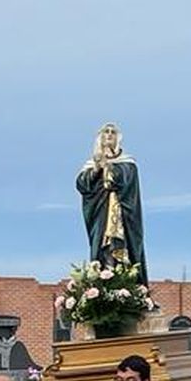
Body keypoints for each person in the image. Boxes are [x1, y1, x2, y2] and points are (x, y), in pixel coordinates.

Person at [75, 122, 148, 285]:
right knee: (102, 248)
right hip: (101, 216)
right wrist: (96, 169)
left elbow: (123, 181)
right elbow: (82, 185)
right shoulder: (91, 164)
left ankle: (126, 283)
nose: (109, 135)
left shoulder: (127, 163)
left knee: (123, 249)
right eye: (105, 132)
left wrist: (108, 167)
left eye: (113, 132)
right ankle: (103, 280)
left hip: (122, 217)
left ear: (118, 138)